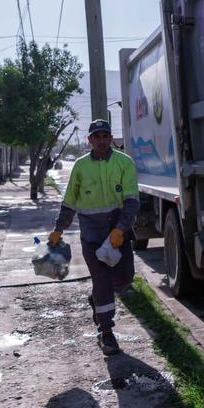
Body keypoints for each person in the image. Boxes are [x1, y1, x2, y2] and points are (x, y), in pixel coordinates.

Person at [49, 119, 139, 355]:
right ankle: (106, 332)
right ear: (89, 140)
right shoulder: (80, 166)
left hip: (118, 236)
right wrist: (58, 229)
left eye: (105, 136)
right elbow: (69, 203)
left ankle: (96, 301)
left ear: (111, 138)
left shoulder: (124, 163)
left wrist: (121, 228)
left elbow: (131, 201)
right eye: (96, 136)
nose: (101, 140)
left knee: (124, 279)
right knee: (103, 283)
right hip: (91, 237)